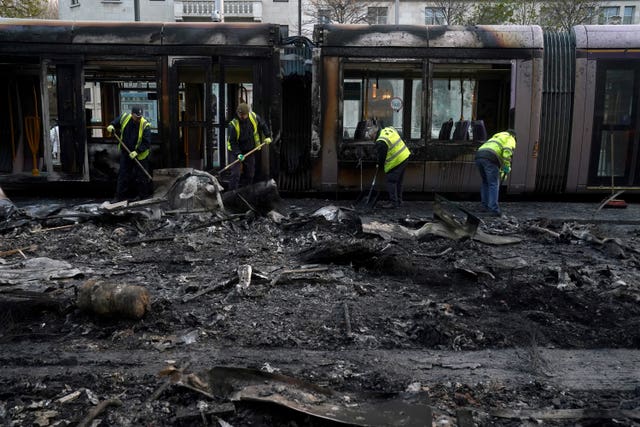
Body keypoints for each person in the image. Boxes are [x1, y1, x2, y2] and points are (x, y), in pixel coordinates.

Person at [106, 106, 152, 202]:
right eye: (136, 116)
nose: (138, 119)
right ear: (132, 114)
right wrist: (112, 125)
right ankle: (119, 197)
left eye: (140, 116)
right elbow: (116, 122)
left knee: (141, 176)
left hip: (140, 155)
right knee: (123, 175)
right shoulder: (125, 117)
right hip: (126, 152)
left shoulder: (145, 125)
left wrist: (137, 151)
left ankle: (143, 197)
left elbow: (146, 142)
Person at [226, 102, 272, 190]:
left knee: (250, 173)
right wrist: (238, 154)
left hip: (249, 149)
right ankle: (231, 194)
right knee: (235, 174)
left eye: (244, 114)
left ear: (247, 113)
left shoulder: (254, 117)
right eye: (240, 114)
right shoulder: (233, 125)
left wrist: (268, 136)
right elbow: (233, 142)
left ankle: (246, 191)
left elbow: (263, 125)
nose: (242, 116)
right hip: (235, 151)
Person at [474, 129, 517, 217]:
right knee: (493, 184)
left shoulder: (496, 137)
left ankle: (484, 206)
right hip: (490, 157)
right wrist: (506, 167)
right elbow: (507, 152)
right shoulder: (510, 138)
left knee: (486, 182)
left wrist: (501, 171)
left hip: (479, 156)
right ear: (514, 136)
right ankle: (493, 209)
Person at [375, 126, 411, 208]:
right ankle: (399, 201)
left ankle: (394, 203)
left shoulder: (381, 141)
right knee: (399, 182)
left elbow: (382, 157)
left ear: (374, 135)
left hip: (397, 160)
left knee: (391, 181)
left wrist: (379, 165)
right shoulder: (388, 129)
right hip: (404, 156)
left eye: (371, 137)